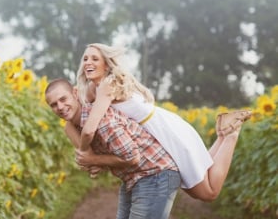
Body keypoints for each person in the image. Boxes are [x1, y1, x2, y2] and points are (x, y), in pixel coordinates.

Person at [73, 42, 252, 202]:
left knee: (208, 192)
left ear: (106, 65)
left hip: (164, 131)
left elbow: (89, 130)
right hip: (156, 130)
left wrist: (85, 156)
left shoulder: (107, 85)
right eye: (86, 59)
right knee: (199, 184)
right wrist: (92, 160)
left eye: (95, 59)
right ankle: (223, 133)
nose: (88, 62)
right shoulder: (92, 88)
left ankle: (231, 134)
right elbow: (78, 116)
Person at [45, 78, 181, 219]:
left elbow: (133, 157)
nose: (60, 107)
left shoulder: (102, 122)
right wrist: (94, 163)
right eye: (54, 105)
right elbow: (92, 161)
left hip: (156, 174)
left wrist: (94, 160)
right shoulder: (76, 126)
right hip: (134, 177)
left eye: (63, 99)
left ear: (75, 94)